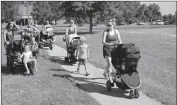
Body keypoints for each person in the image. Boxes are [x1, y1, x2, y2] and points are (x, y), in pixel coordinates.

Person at [102, 18, 122, 83]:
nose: (108, 26)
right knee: (109, 62)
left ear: (113, 25)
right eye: (107, 25)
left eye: (110, 25)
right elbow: (103, 41)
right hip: (107, 48)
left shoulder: (116, 31)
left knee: (112, 62)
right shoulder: (105, 31)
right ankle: (110, 78)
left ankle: (105, 72)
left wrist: (119, 44)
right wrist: (108, 44)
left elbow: (120, 41)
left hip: (114, 48)